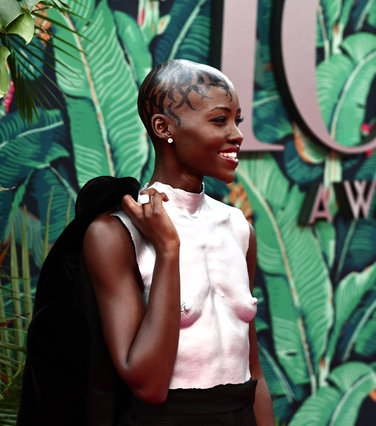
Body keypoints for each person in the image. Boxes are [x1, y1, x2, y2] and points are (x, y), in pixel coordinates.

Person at [82, 59, 274, 425]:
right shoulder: (115, 233)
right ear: (163, 127)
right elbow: (149, 385)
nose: (236, 134)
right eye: (220, 120)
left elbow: (254, 373)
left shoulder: (237, 226)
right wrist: (168, 251)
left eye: (237, 120)